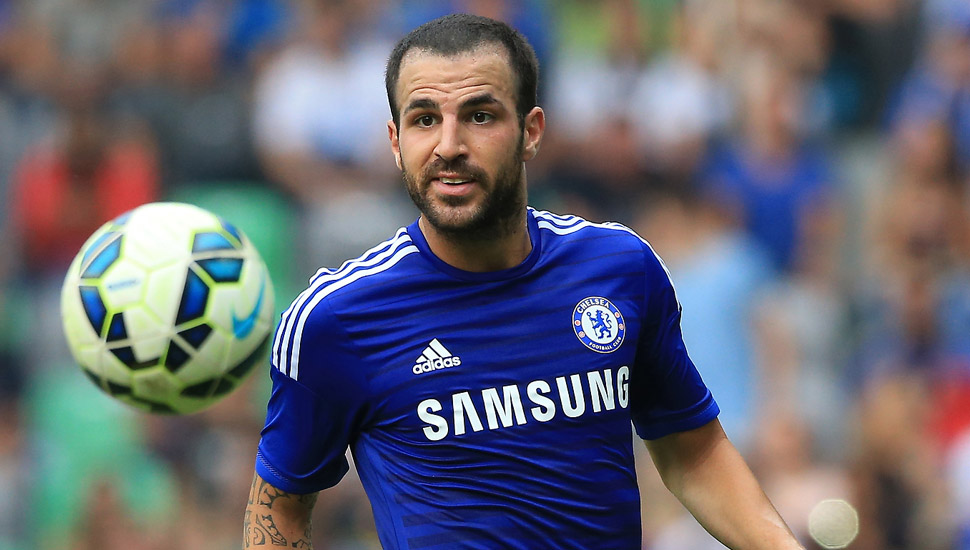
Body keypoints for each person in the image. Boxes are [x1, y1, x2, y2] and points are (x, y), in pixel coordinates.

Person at [244, 13, 804, 550]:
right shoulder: (335, 319)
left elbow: (693, 452)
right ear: (395, 141)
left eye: (480, 116)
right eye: (424, 119)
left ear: (531, 132)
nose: (448, 146)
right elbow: (280, 507)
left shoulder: (619, 268)